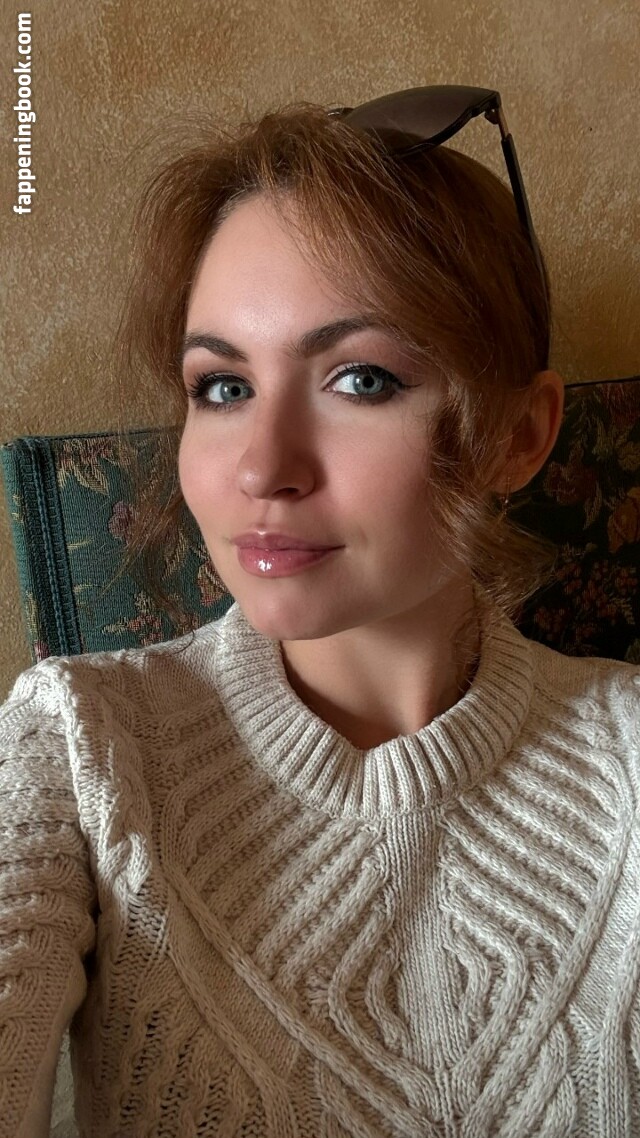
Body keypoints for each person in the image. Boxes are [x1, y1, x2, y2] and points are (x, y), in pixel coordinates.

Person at [1, 86, 639, 1138]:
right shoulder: (74, 748)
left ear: (519, 436)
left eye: (361, 379)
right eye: (222, 387)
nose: (263, 467)